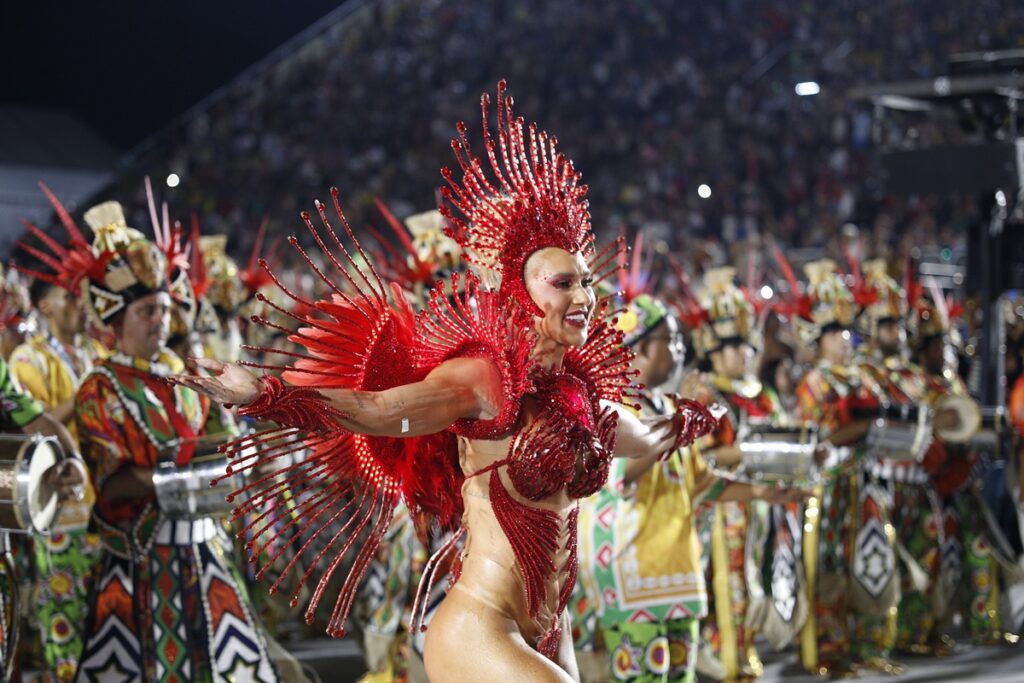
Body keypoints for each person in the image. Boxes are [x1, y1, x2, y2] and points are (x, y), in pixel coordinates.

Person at [172, 82, 720, 682]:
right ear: (518, 291)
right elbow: (377, 409)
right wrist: (269, 395)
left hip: (550, 627)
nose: (585, 297)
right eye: (563, 284)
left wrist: (692, 420)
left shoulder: (579, 389)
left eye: (586, 281)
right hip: (482, 628)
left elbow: (640, 435)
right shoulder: (485, 378)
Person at [71, 201, 281, 681]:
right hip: (139, 558)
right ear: (116, 320)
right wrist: (185, 478)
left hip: (203, 548)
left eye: (165, 309)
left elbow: (221, 442)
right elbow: (109, 481)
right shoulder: (99, 387)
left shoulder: (184, 378)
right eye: (147, 311)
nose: (160, 321)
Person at [8, 184, 108, 681]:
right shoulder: (28, 360)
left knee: (101, 623)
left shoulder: (96, 354)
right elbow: (34, 432)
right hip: (56, 506)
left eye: (83, 297)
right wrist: (89, 389)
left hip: (100, 502)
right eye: (70, 298)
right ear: (44, 306)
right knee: (62, 621)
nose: (81, 306)